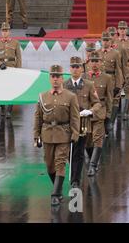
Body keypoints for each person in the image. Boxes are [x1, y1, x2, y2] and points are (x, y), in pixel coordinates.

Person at [34, 64, 79, 206]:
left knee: (60, 163)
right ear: (49, 78)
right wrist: (36, 135)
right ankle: (57, 188)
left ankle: (55, 194)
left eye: (58, 76)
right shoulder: (42, 96)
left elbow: (75, 117)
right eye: (53, 76)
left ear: (62, 78)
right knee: (49, 165)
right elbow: (38, 117)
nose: (55, 79)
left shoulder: (71, 96)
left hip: (63, 134)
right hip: (47, 134)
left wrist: (75, 133)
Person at [64, 56, 101, 188]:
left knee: (79, 152)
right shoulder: (64, 85)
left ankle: (75, 180)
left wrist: (90, 111)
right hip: (66, 124)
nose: (75, 69)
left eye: (77, 67)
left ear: (82, 69)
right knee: (69, 152)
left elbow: (97, 103)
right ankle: (74, 174)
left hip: (82, 124)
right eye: (73, 67)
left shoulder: (88, 85)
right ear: (70, 69)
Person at [82, 52, 113, 177]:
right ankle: (93, 159)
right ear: (88, 63)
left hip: (100, 111)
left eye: (97, 61)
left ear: (101, 62)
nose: (94, 64)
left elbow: (109, 98)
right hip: (87, 112)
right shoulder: (83, 77)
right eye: (92, 61)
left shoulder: (107, 78)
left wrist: (109, 116)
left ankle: (93, 166)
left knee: (97, 139)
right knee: (88, 141)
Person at [0, 21, 22, 118]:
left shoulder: (15, 43)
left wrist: (18, 70)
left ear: (9, 31)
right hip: (1, 69)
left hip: (12, 69)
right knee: (1, 89)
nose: (5, 32)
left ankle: (9, 110)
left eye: (6, 30)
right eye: (3, 31)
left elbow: (19, 57)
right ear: (1, 32)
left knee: (11, 90)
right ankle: (3, 108)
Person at [97, 31, 123, 133]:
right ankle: (101, 121)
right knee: (100, 101)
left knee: (111, 101)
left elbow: (119, 70)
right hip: (100, 80)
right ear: (101, 41)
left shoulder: (115, 53)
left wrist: (118, 85)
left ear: (110, 41)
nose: (105, 42)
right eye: (103, 40)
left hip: (111, 79)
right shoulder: (97, 53)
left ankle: (110, 121)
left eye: (107, 40)